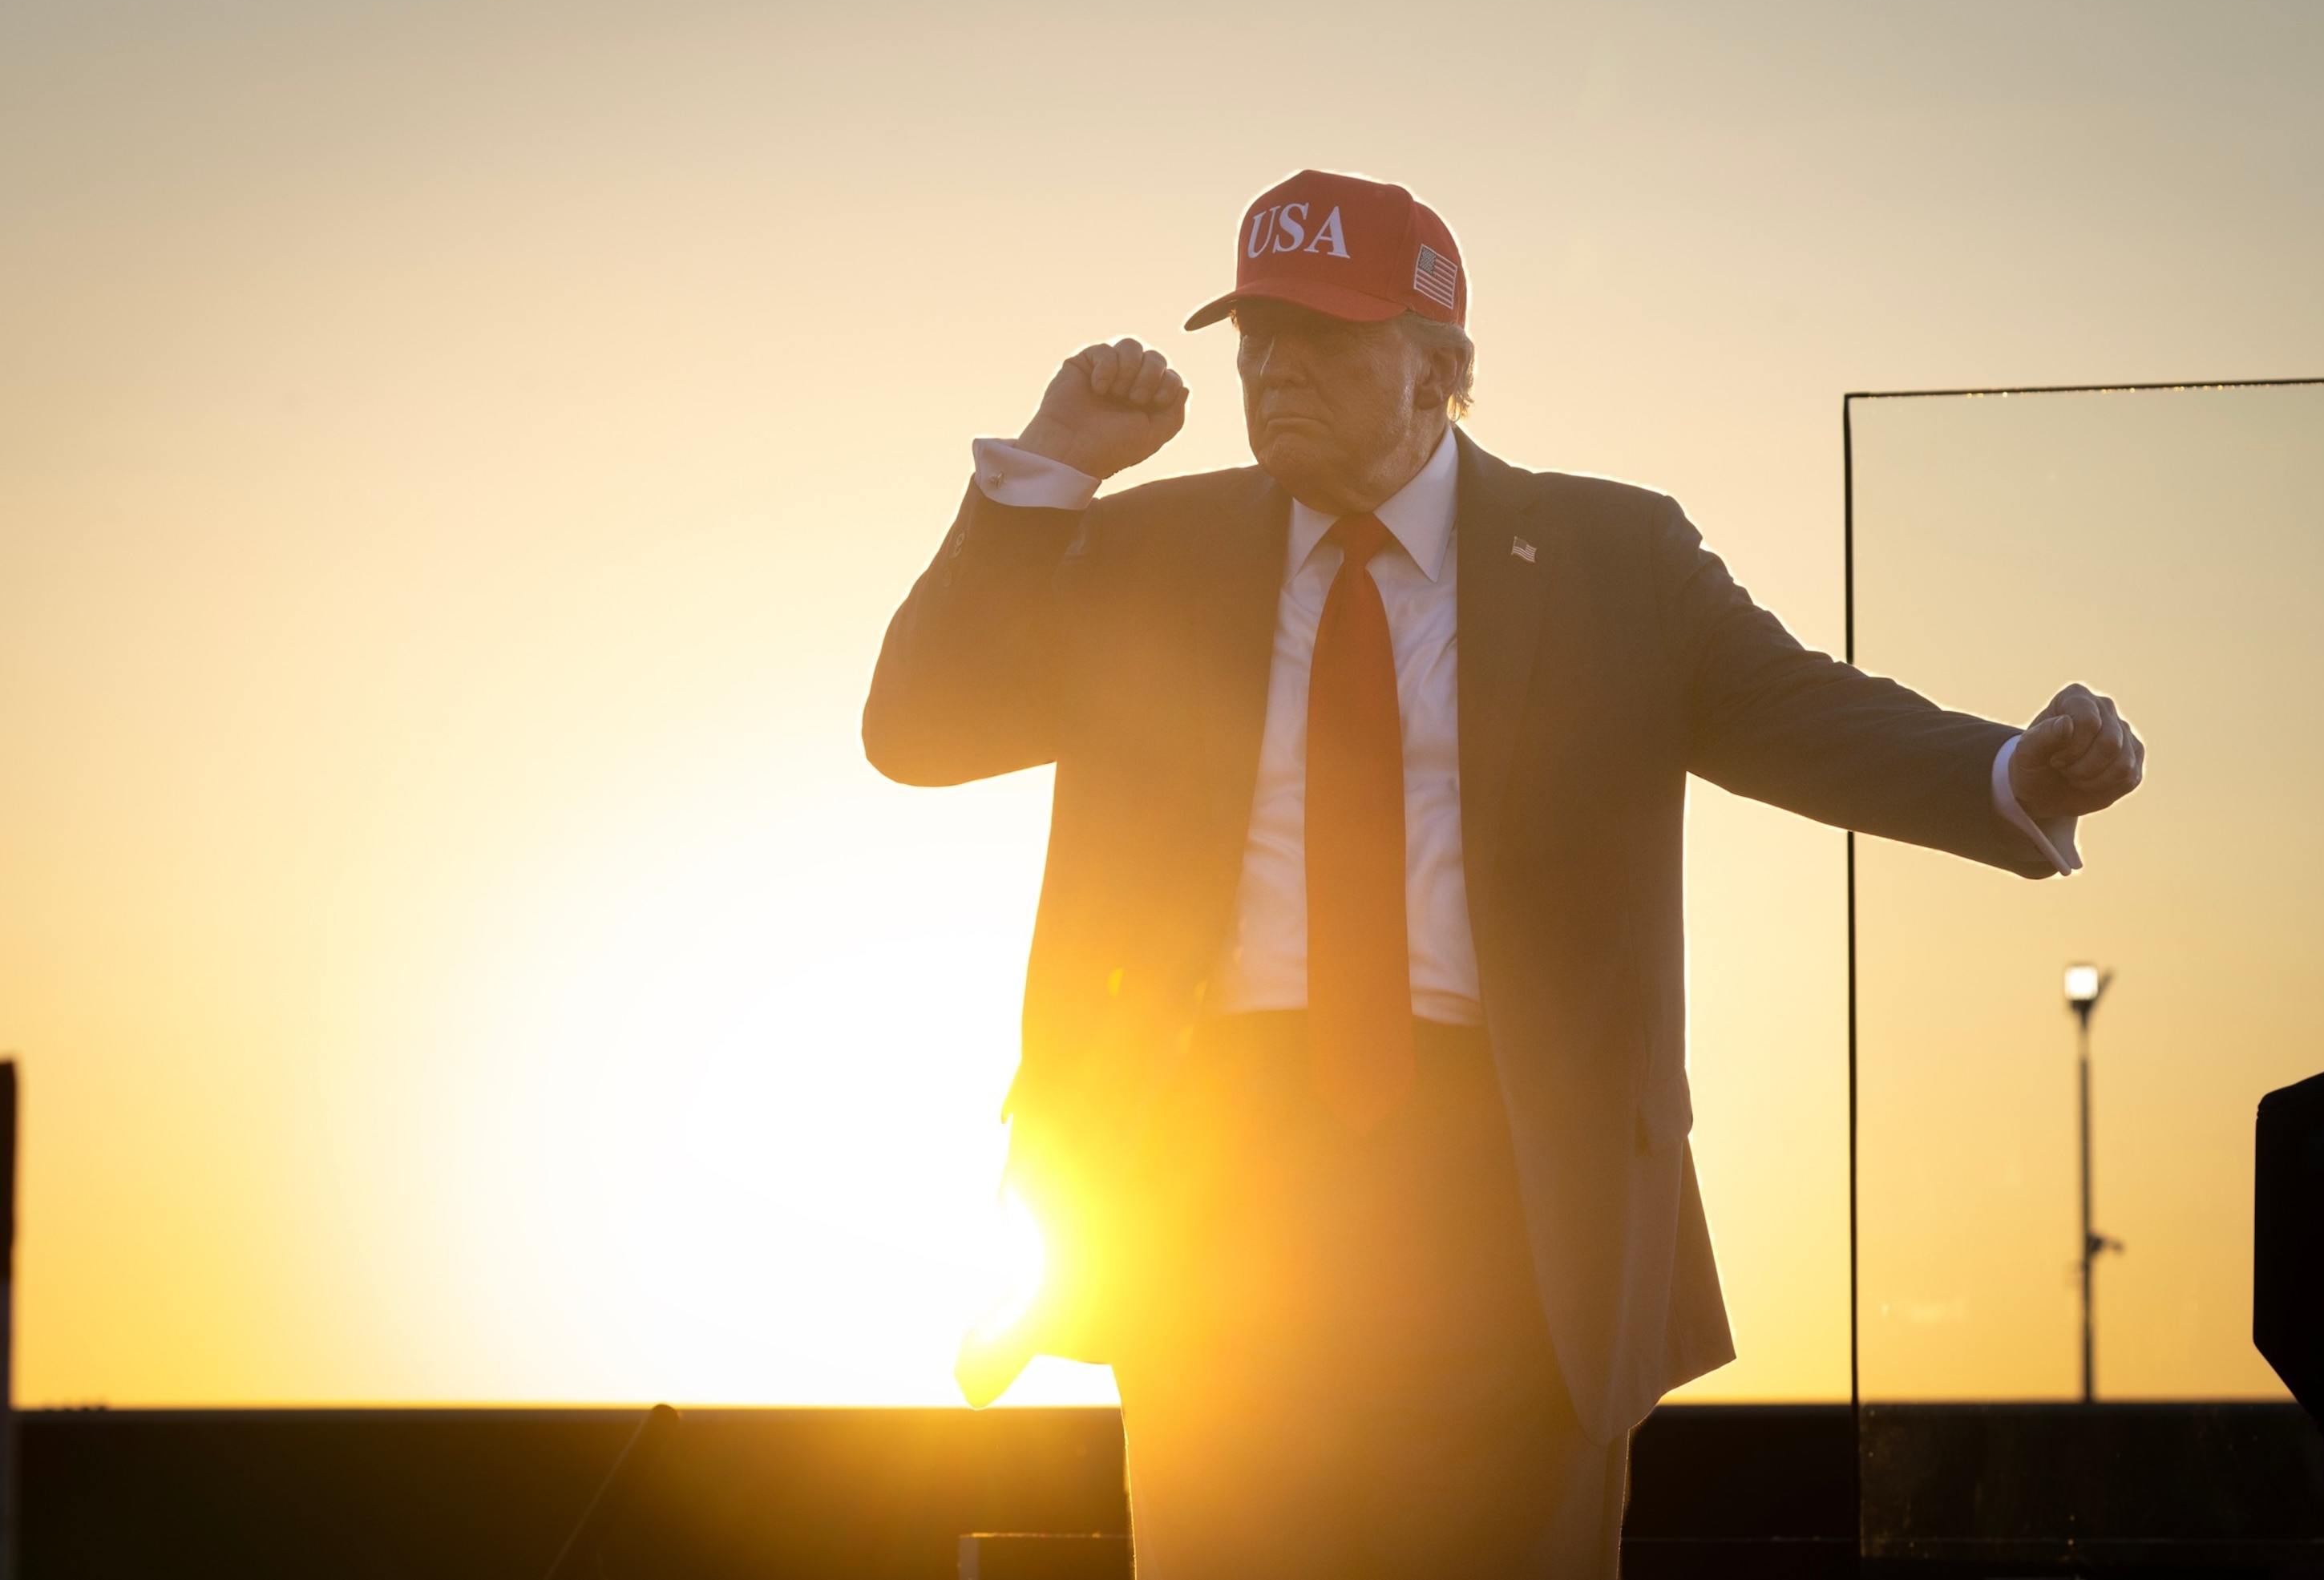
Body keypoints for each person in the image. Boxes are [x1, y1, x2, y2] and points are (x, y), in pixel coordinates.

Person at [864, 168, 2144, 1578]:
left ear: (1440, 372)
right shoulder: (1146, 547)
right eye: (1257, 337)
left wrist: (2011, 773)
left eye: (1326, 337)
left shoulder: (1614, 558)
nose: (1278, 366)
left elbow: (1800, 714)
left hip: (1517, 1189)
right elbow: (922, 727)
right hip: (1207, 1181)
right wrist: (1049, 468)